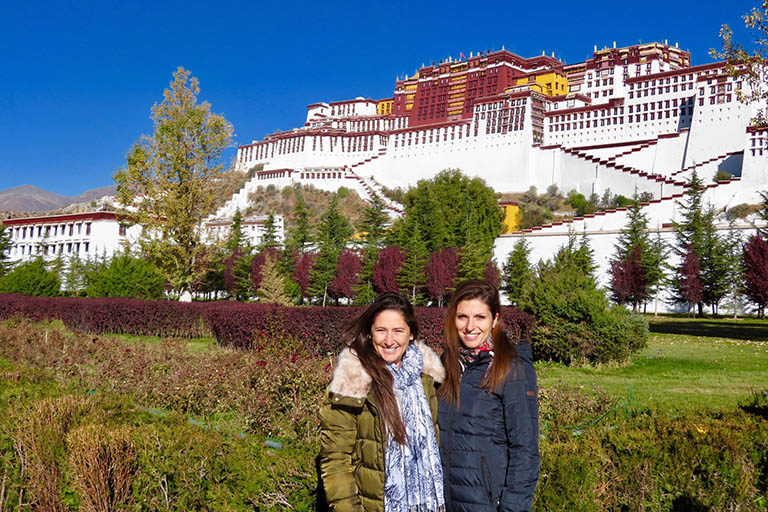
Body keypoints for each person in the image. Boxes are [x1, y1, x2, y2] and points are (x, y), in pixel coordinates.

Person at [319, 293, 446, 512]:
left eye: (398, 331)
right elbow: (336, 460)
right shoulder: (353, 381)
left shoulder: (427, 380)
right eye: (381, 330)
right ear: (370, 333)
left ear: (411, 334)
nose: (389, 340)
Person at [437, 279, 539, 512]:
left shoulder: (510, 368)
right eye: (462, 316)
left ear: (494, 319)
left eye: (480, 317)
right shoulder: (447, 364)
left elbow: (525, 450)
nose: (470, 326)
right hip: (444, 502)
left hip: (487, 503)